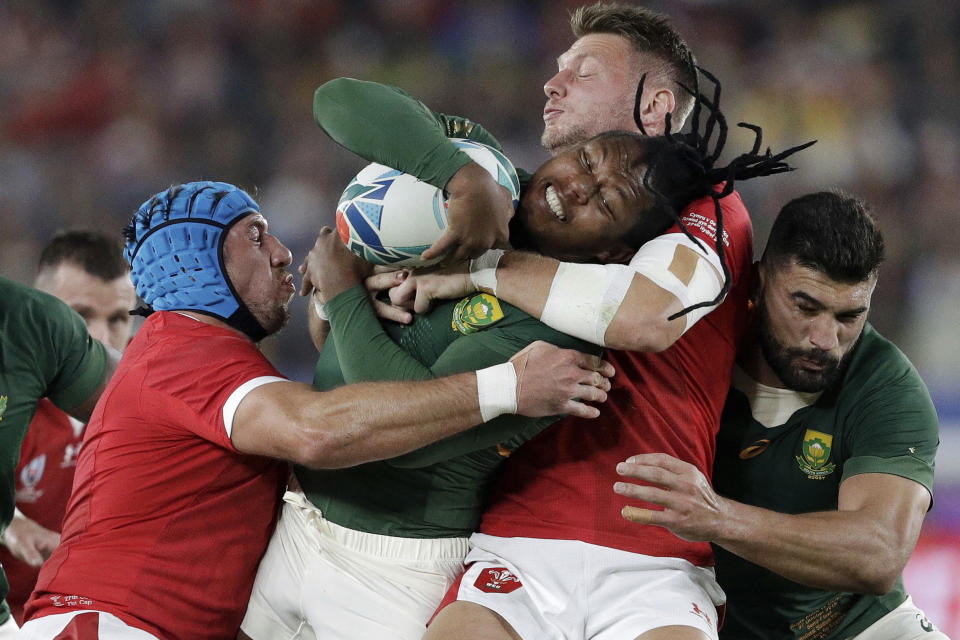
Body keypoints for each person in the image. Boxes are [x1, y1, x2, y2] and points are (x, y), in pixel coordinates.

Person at [17, 180, 613, 640]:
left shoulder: (192, 352)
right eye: (255, 236)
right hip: (105, 624)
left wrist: (343, 311)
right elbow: (316, 431)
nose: (282, 254)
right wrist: (507, 386)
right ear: (196, 260)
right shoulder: (180, 351)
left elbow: (344, 409)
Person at [240, 114, 727, 640]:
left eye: (605, 204)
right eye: (587, 160)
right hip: (299, 520)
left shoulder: (564, 334)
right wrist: (350, 281)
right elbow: (340, 103)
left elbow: (392, 432)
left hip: (398, 563)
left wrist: (342, 293)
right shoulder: (486, 200)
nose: (577, 188)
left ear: (612, 252)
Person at [614, 192, 946, 639]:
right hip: (693, 619)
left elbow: (878, 555)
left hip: (856, 627)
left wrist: (716, 517)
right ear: (757, 282)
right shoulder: (687, 344)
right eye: (805, 308)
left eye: (849, 316)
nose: (825, 339)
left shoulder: (887, 387)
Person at [0, 231, 136, 626]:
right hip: (21, 616)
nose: (98, 337)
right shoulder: (15, 407)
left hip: (115, 613)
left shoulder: (147, 414)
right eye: (80, 316)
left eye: (117, 319)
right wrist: (12, 524)